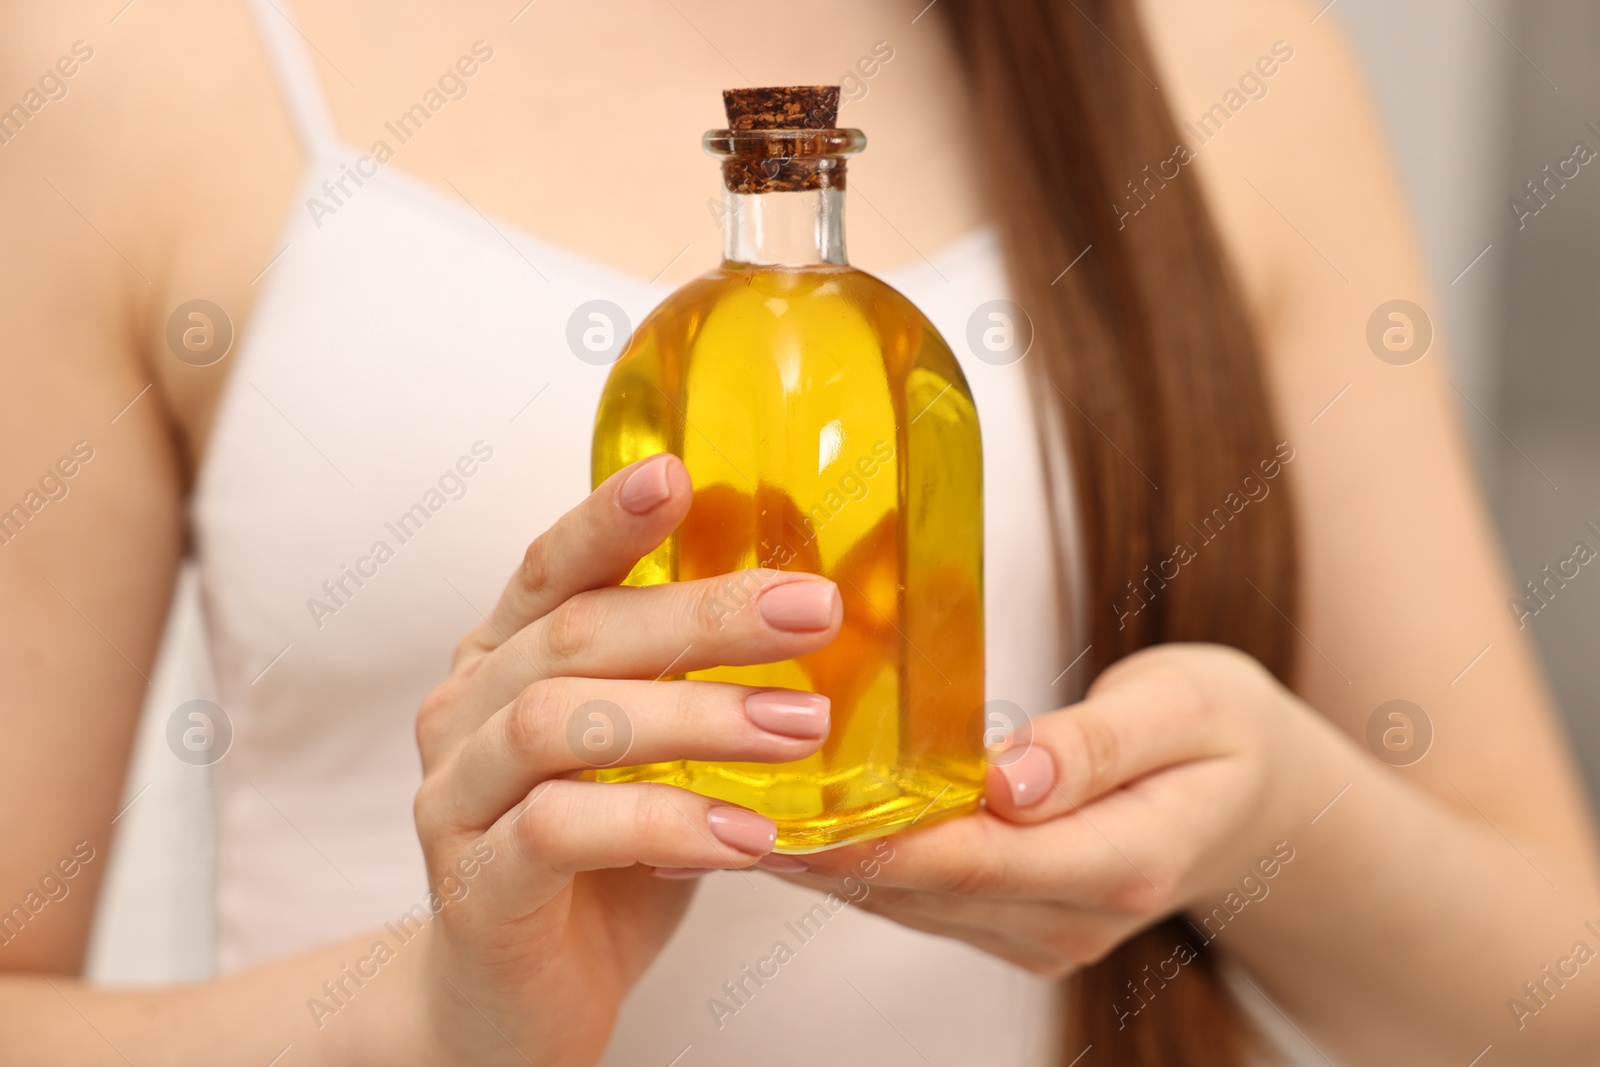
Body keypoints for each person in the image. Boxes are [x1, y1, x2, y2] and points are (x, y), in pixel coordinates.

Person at [2, 0, 1597, 1064]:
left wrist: (1262, 823)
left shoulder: (1219, 54)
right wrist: (429, 1021)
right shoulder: (134, 54)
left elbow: (1554, 1002)